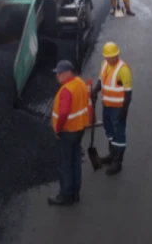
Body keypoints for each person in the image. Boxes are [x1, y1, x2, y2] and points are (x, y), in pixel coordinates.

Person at [48, 60, 90, 206]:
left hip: (67, 132)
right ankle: (75, 193)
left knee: (65, 164)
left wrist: (58, 129)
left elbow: (64, 112)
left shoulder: (66, 90)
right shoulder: (80, 83)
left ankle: (65, 195)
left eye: (59, 73)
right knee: (75, 161)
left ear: (67, 73)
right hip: (79, 129)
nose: (57, 76)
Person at [90, 42, 133, 175]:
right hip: (106, 107)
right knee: (109, 131)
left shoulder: (123, 69)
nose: (112, 59)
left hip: (118, 109)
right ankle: (112, 155)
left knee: (119, 134)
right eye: (109, 57)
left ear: (117, 54)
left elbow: (128, 92)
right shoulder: (104, 65)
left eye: (114, 56)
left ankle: (117, 162)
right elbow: (101, 81)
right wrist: (95, 90)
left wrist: (124, 111)